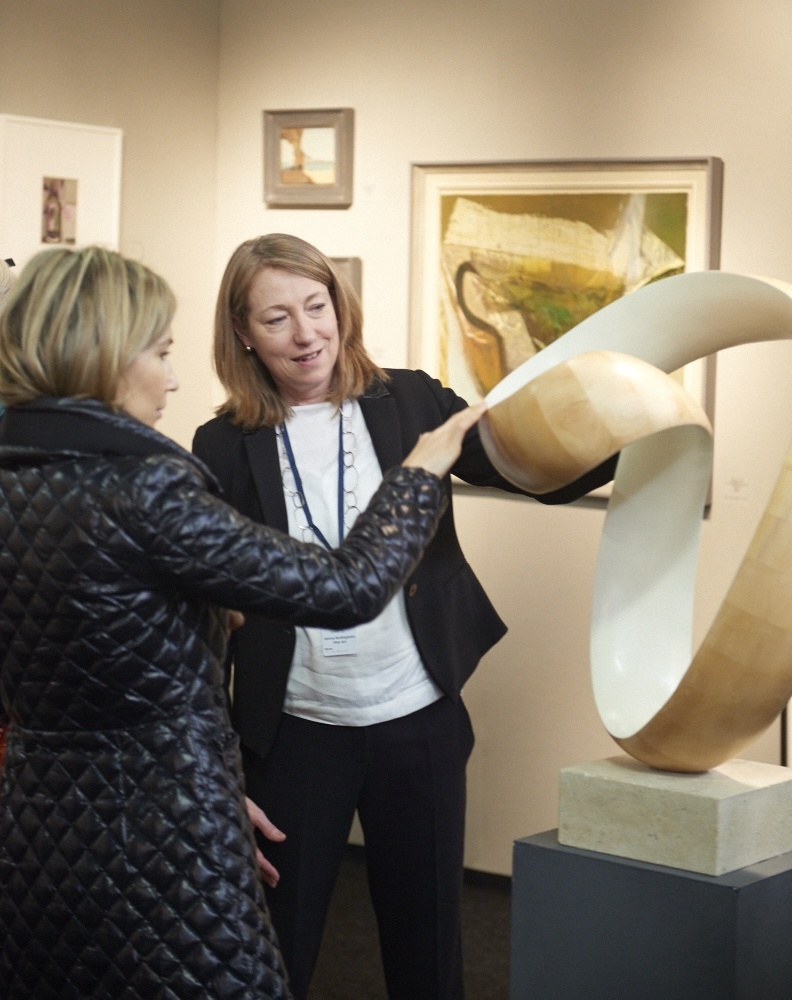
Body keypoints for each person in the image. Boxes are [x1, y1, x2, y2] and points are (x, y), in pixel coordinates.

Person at [0, 245, 484, 1000]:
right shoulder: (157, 479)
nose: (172, 376)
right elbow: (346, 587)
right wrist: (419, 479)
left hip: (44, 818)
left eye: (316, 307)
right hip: (181, 803)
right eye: (158, 352)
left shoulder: (21, 475)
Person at [192, 233, 616, 1000]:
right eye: (277, 318)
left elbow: (529, 470)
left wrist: (624, 428)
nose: (306, 333)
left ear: (340, 307)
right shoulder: (220, 445)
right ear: (243, 334)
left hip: (416, 720)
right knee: (273, 953)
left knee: (429, 952)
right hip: (291, 734)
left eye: (317, 307)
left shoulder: (413, 399)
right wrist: (219, 771)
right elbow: (202, 621)